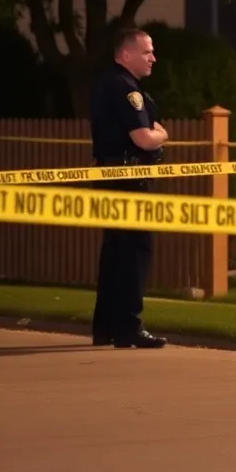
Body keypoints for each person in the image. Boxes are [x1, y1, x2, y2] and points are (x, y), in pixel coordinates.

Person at [90, 28, 169, 349]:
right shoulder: (127, 89)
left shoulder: (106, 83)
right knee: (135, 252)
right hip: (129, 178)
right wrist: (162, 134)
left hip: (111, 176)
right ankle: (130, 328)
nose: (153, 58)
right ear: (126, 55)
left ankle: (106, 327)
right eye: (147, 52)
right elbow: (144, 138)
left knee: (114, 254)